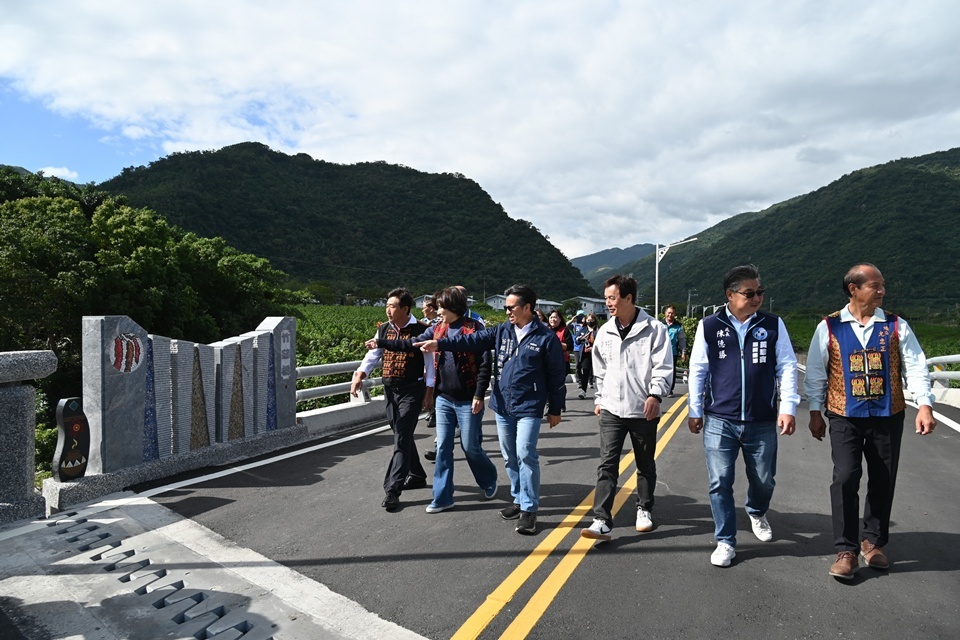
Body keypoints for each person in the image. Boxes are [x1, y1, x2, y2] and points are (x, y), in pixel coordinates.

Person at [804, 263, 936, 580]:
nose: (882, 291)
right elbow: (815, 372)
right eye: (875, 285)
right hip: (843, 416)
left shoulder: (895, 326)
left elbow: (916, 367)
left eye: (882, 285)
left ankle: (872, 542)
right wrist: (814, 411)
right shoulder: (830, 327)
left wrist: (925, 405)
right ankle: (846, 549)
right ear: (854, 289)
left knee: (882, 479)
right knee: (846, 477)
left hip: (887, 415)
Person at [416, 284, 567, 535]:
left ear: (527, 307)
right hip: (503, 404)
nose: (507, 311)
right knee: (509, 455)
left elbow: (556, 375)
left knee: (525, 453)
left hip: (529, 405)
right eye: (506, 307)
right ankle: (518, 498)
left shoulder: (545, 337)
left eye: (511, 307)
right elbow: (471, 341)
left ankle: (529, 509)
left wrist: (556, 408)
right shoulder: (502, 331)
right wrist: (439, 344)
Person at [687, 265, 800, 567]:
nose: (757, 298)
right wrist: (694, 409)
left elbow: (787, 366)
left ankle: (756, 510)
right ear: (730, 294)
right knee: (720, 481)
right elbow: (699, 369)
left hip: (761, 419)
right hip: (719, 419)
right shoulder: (710, 326)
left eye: (760, 292)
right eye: (750, 293)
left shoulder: (772, 324)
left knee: (764, 479)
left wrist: (788, 407)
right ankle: (725, 540)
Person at [369, 287, 499, 513]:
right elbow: (411, 343)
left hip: (468, 398)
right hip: (444, 399)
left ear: (454, 307)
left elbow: (484, 366)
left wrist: (479, 394)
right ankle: (442, 497)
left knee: (470, 447)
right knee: (443, 449)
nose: (437, 311)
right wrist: (382, 343)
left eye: (441, 307)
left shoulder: (473, 328)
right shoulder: (438, 328)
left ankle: (488, 478)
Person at [581, 275, 673, 542]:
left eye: (612, 298)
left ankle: (644, 508)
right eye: (606, 298)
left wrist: (655, 395)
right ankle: (601, 519)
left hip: (642, 408)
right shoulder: (605, 331)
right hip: (611, 408)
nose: (607, 303)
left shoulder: (654, 329)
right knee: (607, 464)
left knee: (644, 463)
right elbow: (600, 369)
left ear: (628, 298)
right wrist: (599, 399)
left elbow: (663, 367)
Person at [351, 288, 435, 511]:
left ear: (405, 309)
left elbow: (429, 364)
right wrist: (360, 374)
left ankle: (392, 489)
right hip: (390, 389)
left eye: (392, 306)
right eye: (387, 305)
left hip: (412, 390)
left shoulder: (422, 331)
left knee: (401, 436)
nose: (388, 310)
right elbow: (373, 355)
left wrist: (429, 391)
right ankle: (416, 474)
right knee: (402, 434)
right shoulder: (384, 329)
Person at [663, 305, 687, 397]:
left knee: (672, 372)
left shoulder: (678, 326)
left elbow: (682, 340)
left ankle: (669, 390)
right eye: (669, 313)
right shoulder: (659, 324)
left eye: (672, 313)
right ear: (665, 313)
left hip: (673, 352)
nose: (670, 315)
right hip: (660, 352)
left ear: (675, 314)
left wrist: (683, 352)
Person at [575, 314, 599, 399]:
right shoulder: (583, 329)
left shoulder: (598, 330)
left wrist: (594, 348)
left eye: (591, 320)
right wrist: (580, 338)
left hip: (596, 354)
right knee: (585, 372)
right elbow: (576, 340)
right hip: (586, 354)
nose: (589, 322)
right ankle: (583, 391)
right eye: (588, 320)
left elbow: (601, 343)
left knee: (597, 373)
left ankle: (599, 392)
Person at [547, 309, 575, 374]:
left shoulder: (565, 331)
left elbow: (570, 347)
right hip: (547, 362)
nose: (553, 319)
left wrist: (557, 342)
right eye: (551, 317)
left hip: (561, 362)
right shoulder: (545, 330)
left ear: (560, 319)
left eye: (555, 317)